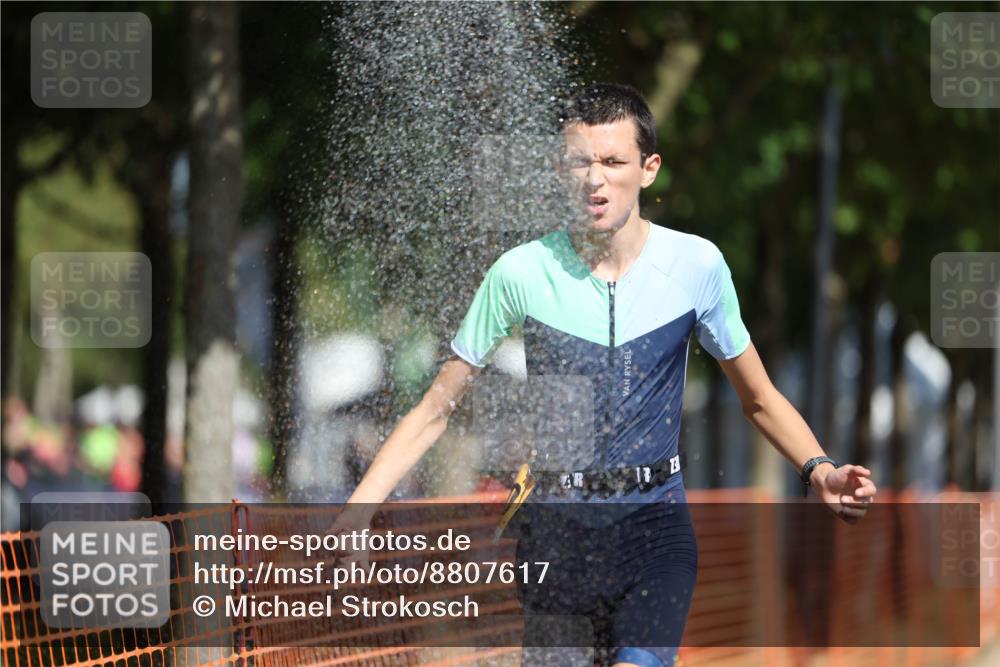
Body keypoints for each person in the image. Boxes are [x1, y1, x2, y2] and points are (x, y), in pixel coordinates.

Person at [330, 82, 877, 667]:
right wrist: (360, 508)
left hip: (655, 527)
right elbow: (438, 406)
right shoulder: (520, 272)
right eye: (579, 162)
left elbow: (760, 398)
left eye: (614, 161)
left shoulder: (697, 265)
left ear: (649, 169)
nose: (596, 179)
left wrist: (818, 468)